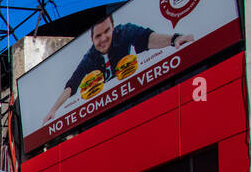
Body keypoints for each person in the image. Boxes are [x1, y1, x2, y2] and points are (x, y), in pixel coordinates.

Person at [41, 14, 195, 123]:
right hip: (106, 111)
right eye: (98, 36)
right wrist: (53, 110)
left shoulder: (124, 32)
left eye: (107, 31)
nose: (103, 39)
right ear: (92, 39)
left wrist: (174, 39)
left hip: (138, 97)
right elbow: (72, 84)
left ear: (113, 28)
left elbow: (148, 39)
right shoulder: (90, 57)